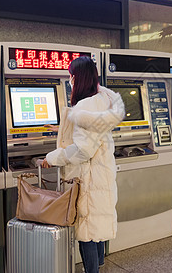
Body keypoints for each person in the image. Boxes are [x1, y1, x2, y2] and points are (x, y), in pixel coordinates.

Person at [42, 56, 125, 273]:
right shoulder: (102, 97)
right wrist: (60, 130)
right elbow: (89, 133)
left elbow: (82, 150)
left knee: (87, 230)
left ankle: (93, 270)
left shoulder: (86, 105)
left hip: (91, 176)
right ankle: (99, 264)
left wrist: (52, 157)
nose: (69, 79)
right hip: (102, 171)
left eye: (71, 75)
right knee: (96, 223)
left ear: (76, 78)